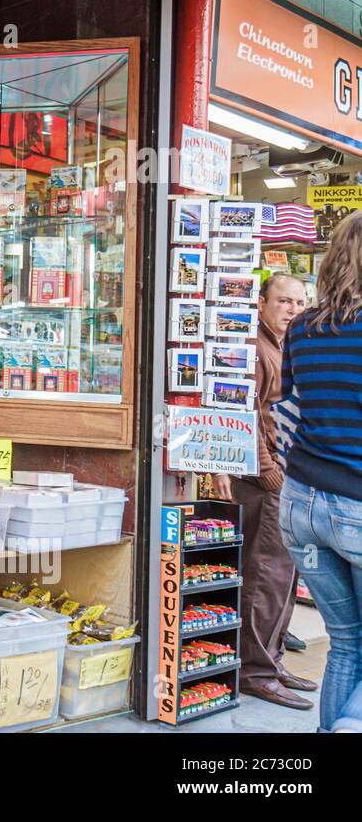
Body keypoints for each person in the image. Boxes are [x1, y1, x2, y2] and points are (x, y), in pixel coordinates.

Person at [280, 210, 362, 733]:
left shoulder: (302, 327)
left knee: (346, 641)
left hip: (300, 504)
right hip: (355, 505)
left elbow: (288, 404)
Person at [232, 273, 316, 710]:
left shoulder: (286, 345)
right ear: (262, 302)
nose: (293, 310)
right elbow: (246, 414)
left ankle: (271, 659)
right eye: (284, 301)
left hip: (286, 477)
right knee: (266, 577)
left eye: (300, 303)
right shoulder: (254, 349)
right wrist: (269, 472)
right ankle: (255, 671)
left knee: (285, 576)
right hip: (267, 482)